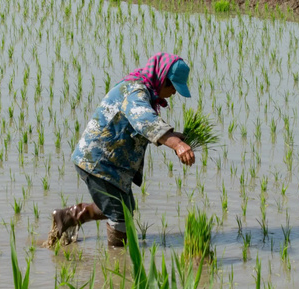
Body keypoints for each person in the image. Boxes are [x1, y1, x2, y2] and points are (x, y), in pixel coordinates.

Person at [44, 53, 195, 248]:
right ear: (162, 78)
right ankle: (118, 263)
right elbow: (144, 120)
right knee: (120, 215)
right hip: (98, 161)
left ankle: (67, 217)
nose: (174, 92)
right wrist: (176, 144)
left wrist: (174, 136)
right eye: (173, 86)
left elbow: (142, 123)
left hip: (111, 163)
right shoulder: (135, 92)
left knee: (124, 207)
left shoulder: (144, 91)